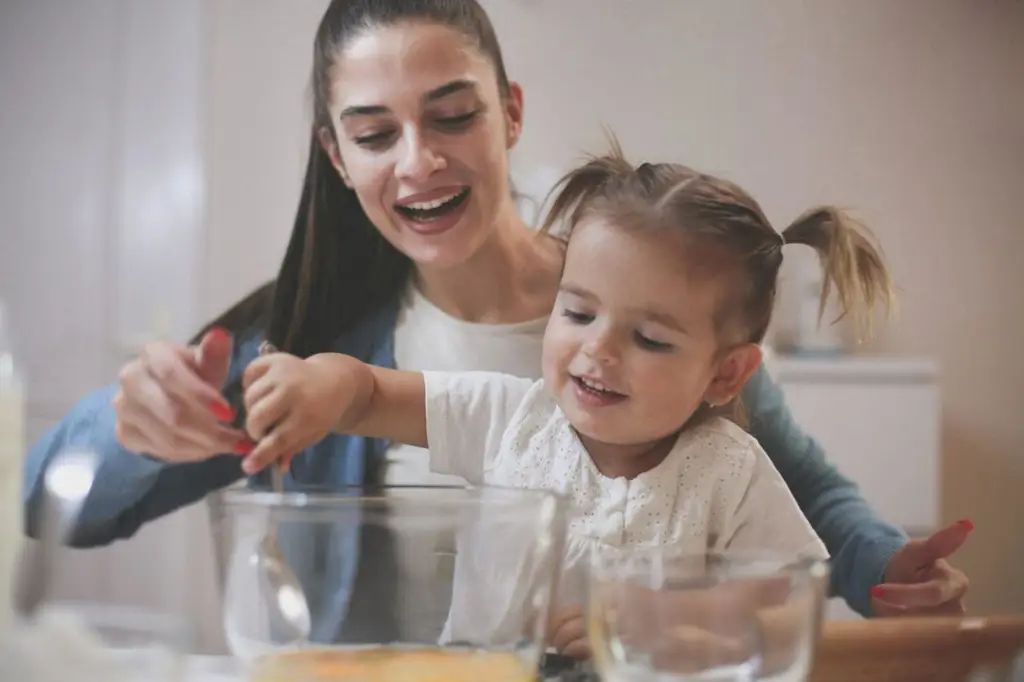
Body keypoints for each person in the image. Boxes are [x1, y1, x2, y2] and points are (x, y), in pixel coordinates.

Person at [23, 0, 969, 640]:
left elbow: (807, 506)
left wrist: (892, 566)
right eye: (374, 132)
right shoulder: (311, 339)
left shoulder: (660, 317)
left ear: (509, 114)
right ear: (336, 154)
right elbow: (49, 502)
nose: (418, 162)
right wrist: (131, 425)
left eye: (451, 116)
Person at [238, 142, 860, 652]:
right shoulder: (510, 417)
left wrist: (673, 626)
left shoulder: (730, 472)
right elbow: (370, 393)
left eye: (649, 338)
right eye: (578, 311)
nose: (600, 350)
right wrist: (322, 382)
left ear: (726, 374)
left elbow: (794, 607)